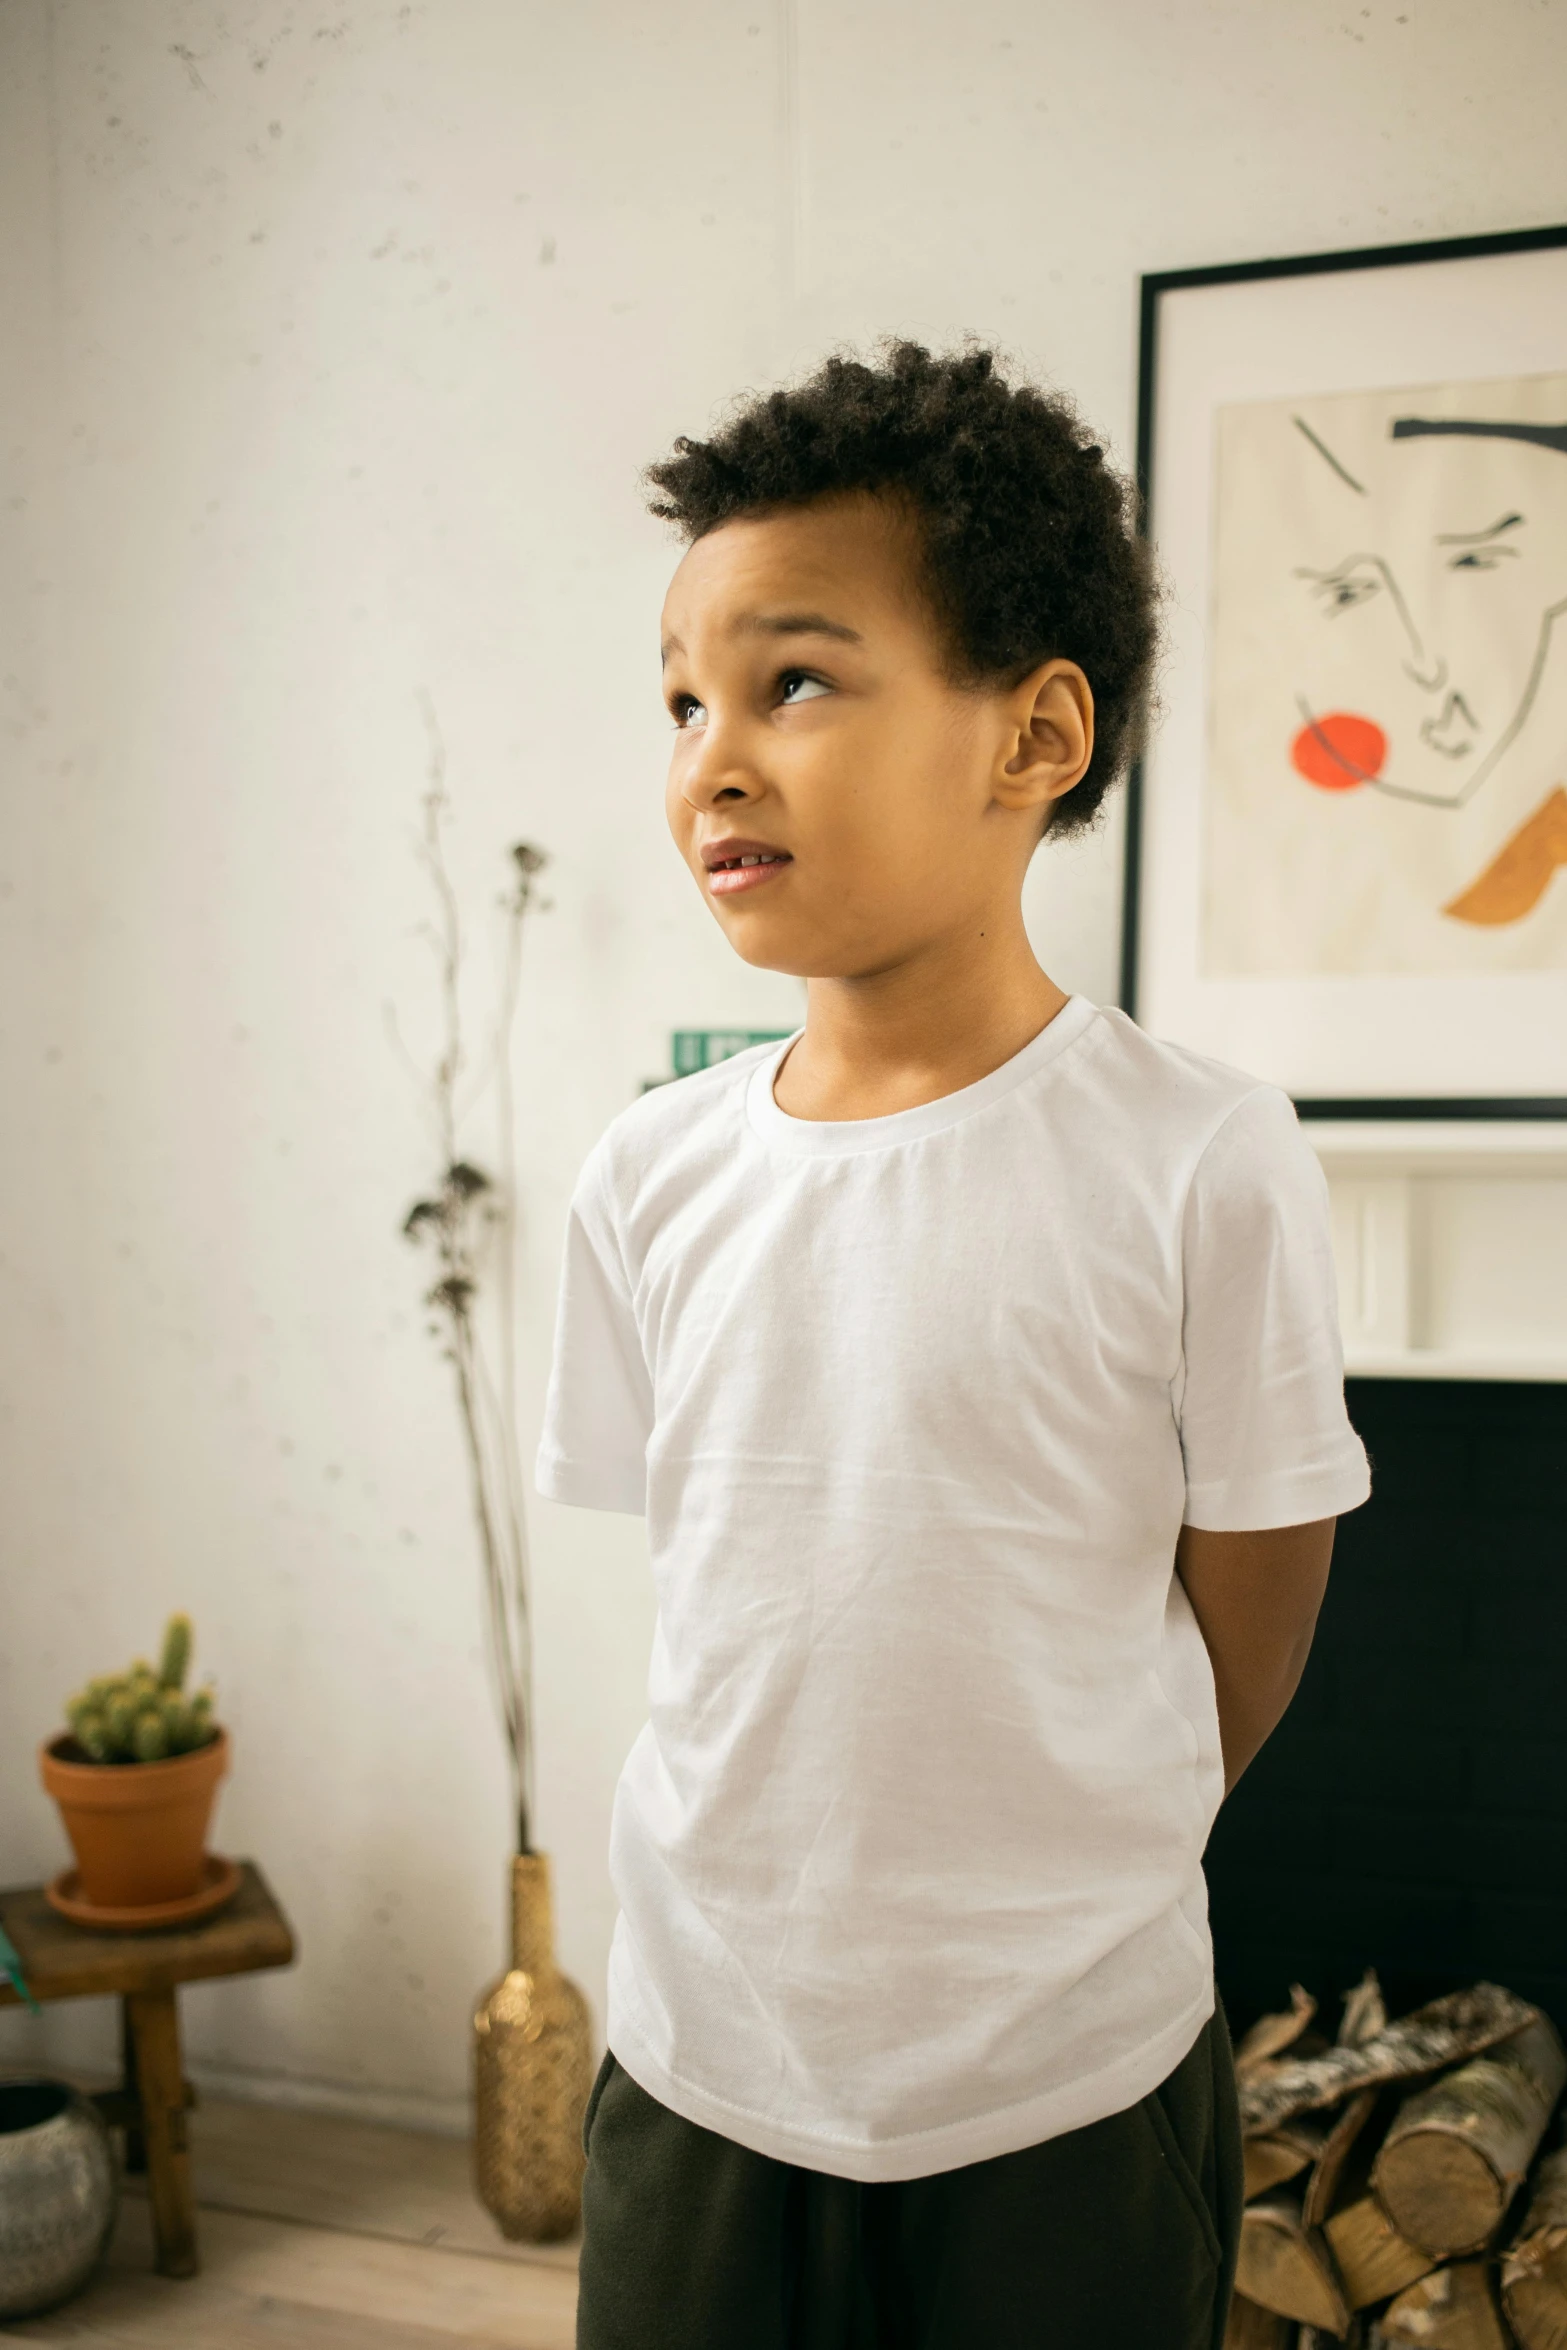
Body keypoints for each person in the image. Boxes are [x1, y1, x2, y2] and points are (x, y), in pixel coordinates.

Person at [536, 342, 1371, 2349]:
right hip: (701, 2063)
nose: (708, 756)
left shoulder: (1199, 1158)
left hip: (1061, 2087)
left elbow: (1247, 1610)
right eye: (681, 697)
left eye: (794, 679)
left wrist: (1091, 1824)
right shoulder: (648, 1175)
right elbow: (708, 1606)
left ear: (1033, 734)